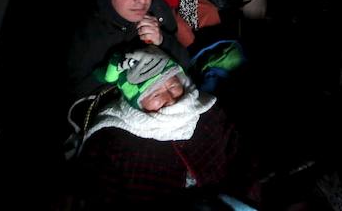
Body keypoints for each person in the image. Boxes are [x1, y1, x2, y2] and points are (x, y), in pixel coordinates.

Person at [76, 47, 248, 207]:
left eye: (173, 86)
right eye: (156, 93)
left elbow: (240, 155)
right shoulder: (111, 139)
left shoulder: (208, 111)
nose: (171, 98)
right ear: (136, 101)